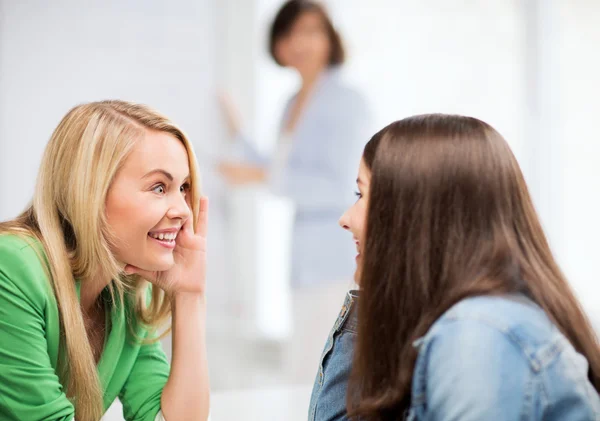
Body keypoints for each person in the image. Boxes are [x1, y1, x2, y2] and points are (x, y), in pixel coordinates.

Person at [309, 114, 600, 420]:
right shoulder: (462, 328)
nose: (345, 218)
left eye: (362, 194)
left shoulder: (477, 337)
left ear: (416, 215)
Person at [0, 100, 210, 421]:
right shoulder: (12, 265)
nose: (183, 209)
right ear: (91, 191)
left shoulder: (128, 288)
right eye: (159, 187)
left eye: (183, 188)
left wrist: (189, 296)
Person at [219, 0, 371, 286]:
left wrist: (261, 177)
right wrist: (236, 132)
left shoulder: (348, 102)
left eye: (312, 31)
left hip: (339, 258)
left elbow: (340, 185)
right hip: (303, 262)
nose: (300, 42)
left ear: (330, 39)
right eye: (290, 33)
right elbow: (280, 167)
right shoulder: (291, 103)